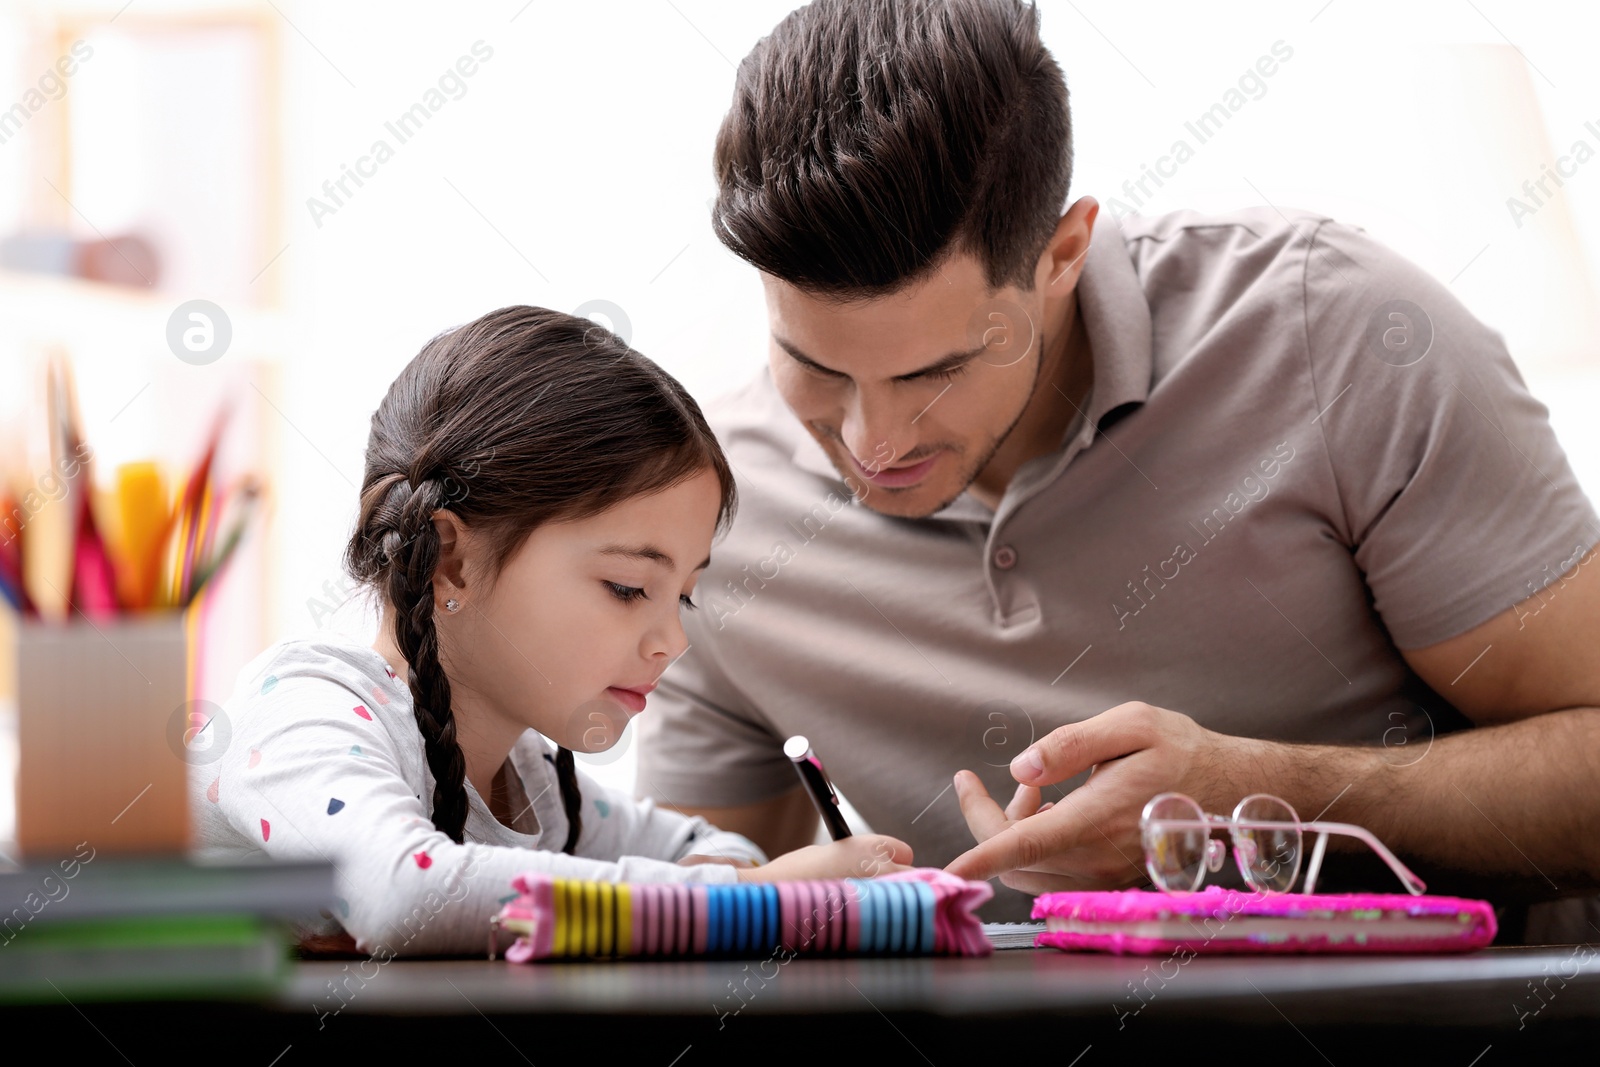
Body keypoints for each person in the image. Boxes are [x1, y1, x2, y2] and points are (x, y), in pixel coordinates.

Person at [635, 0, 1600, 940]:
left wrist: (1259, 797)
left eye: (939, 371)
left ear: (1062, 253)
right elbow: (687, 923)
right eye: (815, 366)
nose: (872, 440)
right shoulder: (716, 517)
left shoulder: (1342, 341)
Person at [191, 306, 910, 956]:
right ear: (452, 559)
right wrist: (746, 898)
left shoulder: (531, 779)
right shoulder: (300, 708)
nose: (673, 642)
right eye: (628, 587)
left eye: (683, 596)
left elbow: (707, 843)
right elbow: (408, 895)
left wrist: (732, 879)